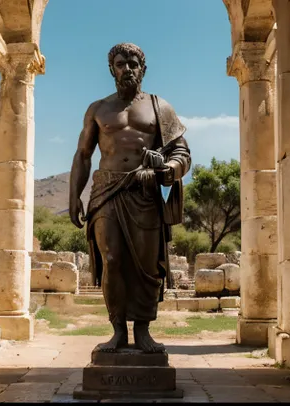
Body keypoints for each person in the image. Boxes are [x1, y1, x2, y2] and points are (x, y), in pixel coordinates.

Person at [68, 43, 191, 353]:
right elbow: (83, 156)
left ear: (143, 68)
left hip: (145, 191)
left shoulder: (158, 107)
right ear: (112, 69)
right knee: (112, 260)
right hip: (106, 192)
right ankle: (118, 330)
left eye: (133, 63)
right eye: (121, 63)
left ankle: (144, 331)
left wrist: (167, 170)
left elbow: (181, 153)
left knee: (147, 265)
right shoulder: (98, 109)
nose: (127, 69)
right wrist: (74, 196)